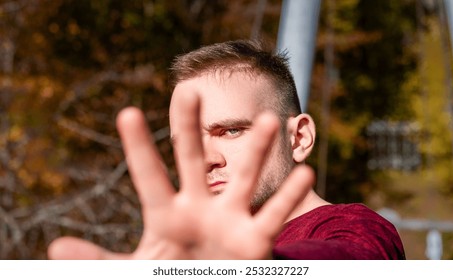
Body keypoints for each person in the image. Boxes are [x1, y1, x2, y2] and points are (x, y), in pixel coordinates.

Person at [47, 40, 405, 260]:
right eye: (188, 142)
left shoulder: (357, 230)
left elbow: (350, 259)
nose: (206, 159)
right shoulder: (194, 251)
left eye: (231, 130)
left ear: (299, 138)